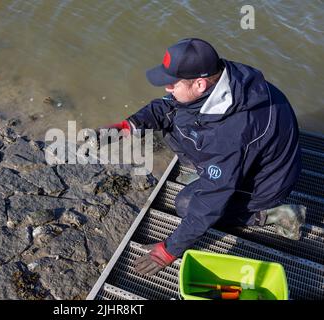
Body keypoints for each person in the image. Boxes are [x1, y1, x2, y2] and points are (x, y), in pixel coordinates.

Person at [94, 38, 306, 277]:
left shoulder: (229, 135)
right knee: (173, 121)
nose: (167, 88)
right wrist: (127, 126)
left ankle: (272, 214)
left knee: (186, 204)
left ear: (200, 85)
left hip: (265, 183)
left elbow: (210, 203)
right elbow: (166, 108)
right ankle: (200, 170)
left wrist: (169, 251)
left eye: (172, 83)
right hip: (251, 157)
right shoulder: (226, 79)